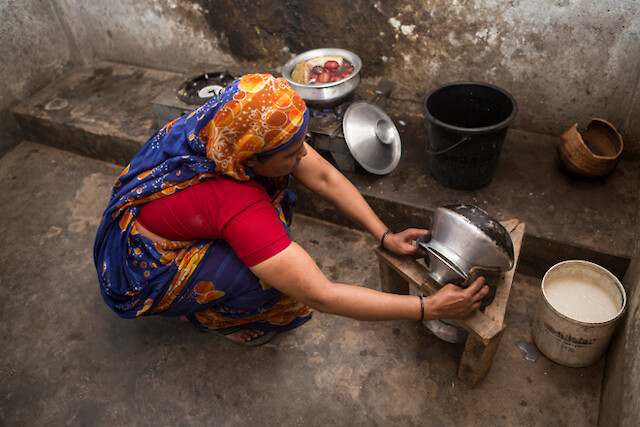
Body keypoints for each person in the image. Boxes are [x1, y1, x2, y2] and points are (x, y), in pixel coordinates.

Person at [94, 73, 488, 346]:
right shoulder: (237, 201)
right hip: (144, 270)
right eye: (291, 154)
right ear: (253, 157)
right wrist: (429, 307)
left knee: (272, 234)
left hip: (162, 220)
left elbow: (327, 178)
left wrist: (384, 234)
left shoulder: (229, 125)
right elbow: (323, 295)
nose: (304, 157)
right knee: (267, 283)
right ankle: (213, 318)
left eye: (301, 144)